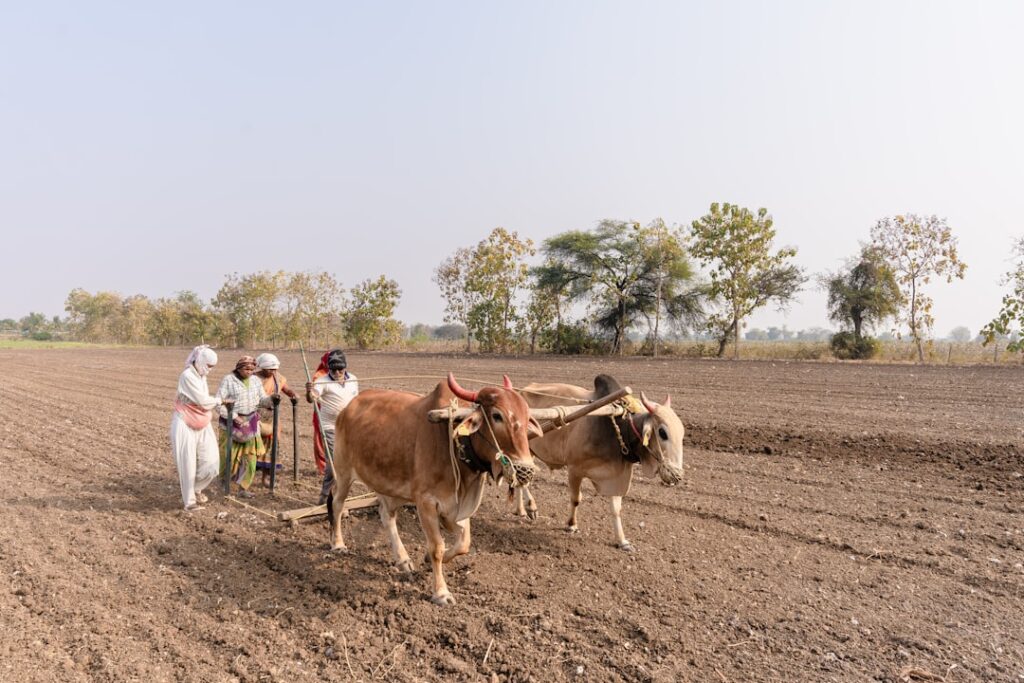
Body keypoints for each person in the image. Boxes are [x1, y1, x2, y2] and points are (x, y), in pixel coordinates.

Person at [170, 345, 223, 512]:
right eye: (208, 366)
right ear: (200, 361)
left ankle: (197, 488)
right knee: (187, 463)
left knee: (211, 464)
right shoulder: (187, 376)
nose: (209, 370)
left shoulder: (201, 377)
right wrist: (219, 401)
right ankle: (190, 502)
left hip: (202, 423)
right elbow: (202, 401)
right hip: (184, 422)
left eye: (212, 367)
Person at [217, 356, 278, 498]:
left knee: (251, 459)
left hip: (251, 422)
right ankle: (223, 482)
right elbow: (218, 403)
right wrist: (235, 418)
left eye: (252, 369)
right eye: (246, 369)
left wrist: (271, 399)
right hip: (230, 423)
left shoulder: (256, 381)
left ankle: (243, 488)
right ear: (238, 368)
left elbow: (262, 400)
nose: (249, 372)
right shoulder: (228, 380)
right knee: (228, 456)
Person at [306, 349, 358, 504]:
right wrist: (309, 392)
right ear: (328, 368)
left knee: (349, 461)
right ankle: (325, 496)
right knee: (334, 462)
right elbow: (312, 398)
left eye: (340, 369)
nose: (336, 372)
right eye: (333, 369)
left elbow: (356, 400)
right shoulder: (322, 381)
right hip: (329, 427)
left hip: (348, 426)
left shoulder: (353, 379)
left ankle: (340, 494)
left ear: (345, 367)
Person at [254, 353, 298, 487]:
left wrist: (293, 394)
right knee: (251, 445)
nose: (272, 372)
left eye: (274, 369)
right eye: (269, 369)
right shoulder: (253, 378)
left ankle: (266, 478)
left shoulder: (278, 378)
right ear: (261, 367)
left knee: (272, 446)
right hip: (254, 416)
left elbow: (286, 388)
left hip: (272, 416)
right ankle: (243, 478)